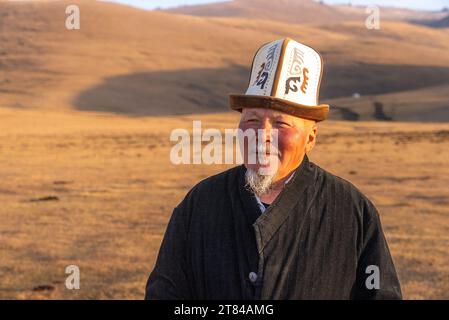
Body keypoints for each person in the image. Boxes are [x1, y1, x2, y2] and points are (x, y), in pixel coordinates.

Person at [145, 38, 402, 299]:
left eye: (281, 124)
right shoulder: (199, 204)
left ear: (310, 138)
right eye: (252, 120)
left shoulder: (352, 211)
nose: (262, 136)